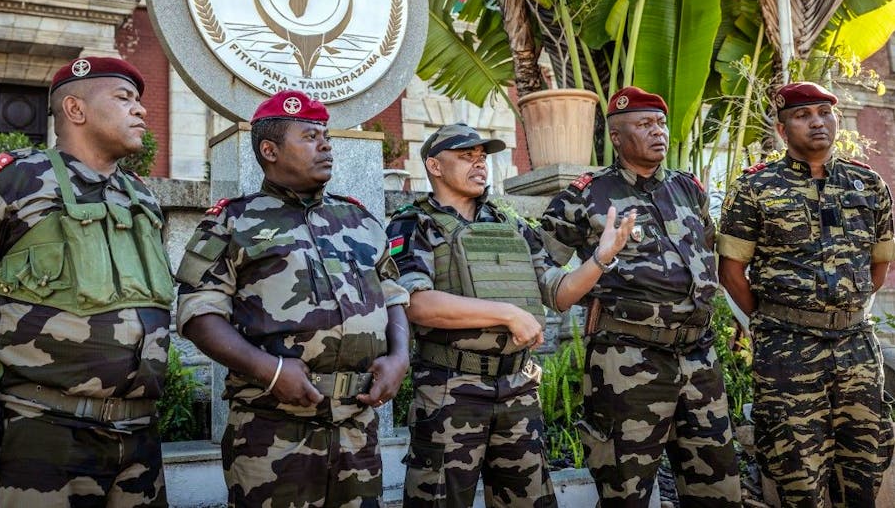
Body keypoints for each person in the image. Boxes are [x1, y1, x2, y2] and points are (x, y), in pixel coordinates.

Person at [0, 56, 173, 507]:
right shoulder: (7, 182)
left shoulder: (140, 195)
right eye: (124, 98)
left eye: (140, 101)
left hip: (140, 436)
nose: (141, 110)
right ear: (75, 110)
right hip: (45, 433)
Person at [175, 89, 409, 507]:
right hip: (273, 435)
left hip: (357, 428)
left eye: (326, 136)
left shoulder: (359, 219)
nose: (325, 145)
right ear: (270, 150)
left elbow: (393, 296)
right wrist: (270, 369)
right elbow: (198, 312)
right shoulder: (232, 221)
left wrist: (400, 357)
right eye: (309, 136)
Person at [385, 123, 635, 507]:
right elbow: (416, 304)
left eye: (482, 157)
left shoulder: (509, 224)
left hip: (516, 389)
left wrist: (601, 258)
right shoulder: (414, 223)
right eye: (466, 157)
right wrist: (507, 314)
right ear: (434, 166)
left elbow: (558, 292)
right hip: (451, 389)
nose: (479, 164)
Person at [541, 87, 741, 507]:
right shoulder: (586, 195)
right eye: (645, 125)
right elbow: (541, 265)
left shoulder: (688, 189)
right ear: (616, 136)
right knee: (625, 491)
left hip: (699, 357)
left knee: (718, 489)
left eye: (661, 123)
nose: (659, 132)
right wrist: (588, 270)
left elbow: (709, 257)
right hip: (627, 361)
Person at [718, 81, 895, 506]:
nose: (817, 122)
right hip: (787, 348)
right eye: (802, 115)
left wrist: (845, 311)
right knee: (797, 469)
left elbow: (880, 265)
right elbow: (731, 272)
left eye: (824, 112)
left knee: (865, 461)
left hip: (856, 345)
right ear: (782, 130)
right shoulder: (755, 187)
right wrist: (772, 322)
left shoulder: (867, 184)